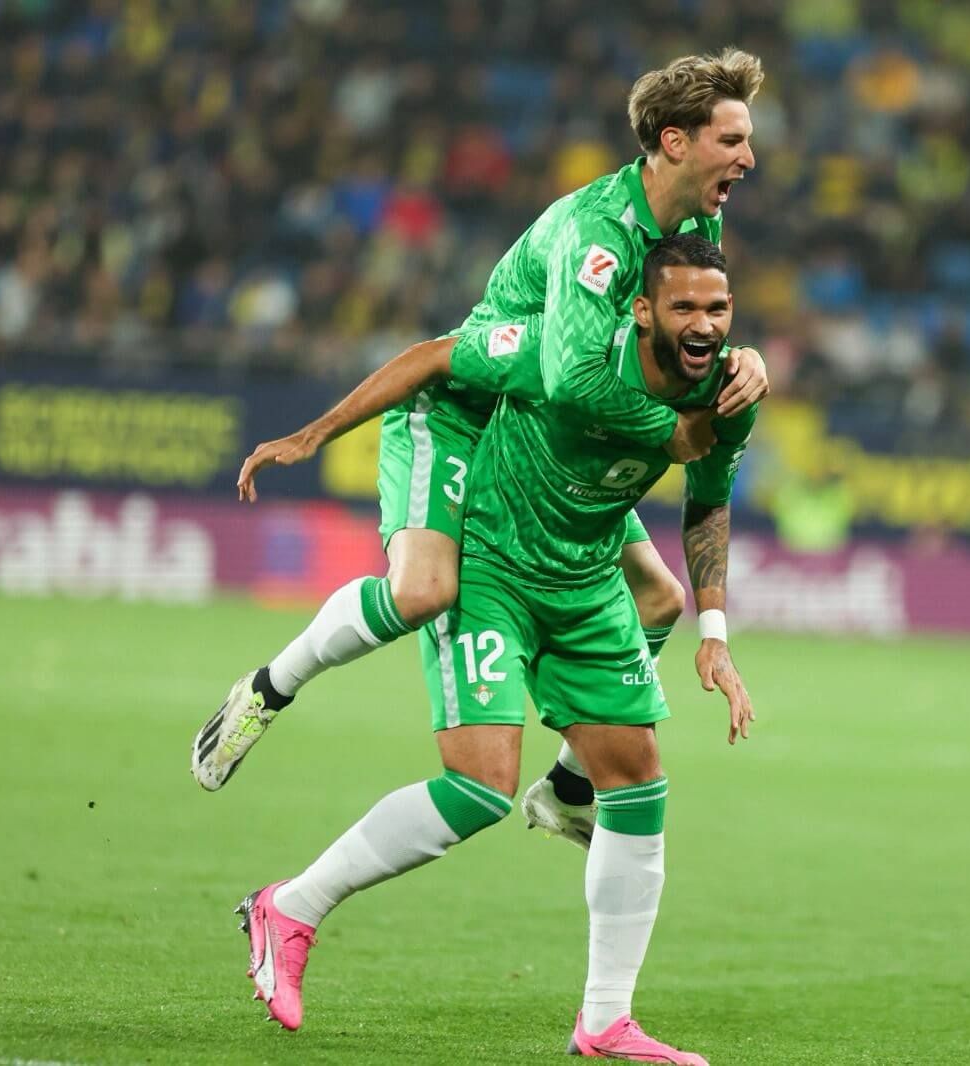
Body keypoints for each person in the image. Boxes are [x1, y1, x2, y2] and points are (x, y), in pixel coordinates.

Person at [192, 49, 768, 838]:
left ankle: (567, 788)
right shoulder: (595, 233)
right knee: (423, 590)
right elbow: (563, 379)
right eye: (732, 139)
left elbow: (680, 333)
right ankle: (268, 687)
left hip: (549, 436)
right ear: (675, 142)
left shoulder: (701, 217)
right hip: (470, 408)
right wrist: (314, 434)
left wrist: (748, 362)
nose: (749, 156)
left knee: (661, 599)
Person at [235, 235, 756, 1064]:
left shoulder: (732, 391)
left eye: (719, 310)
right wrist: (314, 437)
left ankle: (604, 1021)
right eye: (685, 307)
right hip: (491, 562)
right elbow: (438, 359)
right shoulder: (568, 355)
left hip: (583, 582)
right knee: (480, 785)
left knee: (638, 780)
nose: (704, 325)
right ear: (642, 309)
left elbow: (709, 502)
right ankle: (290, 907)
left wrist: (717, 635)